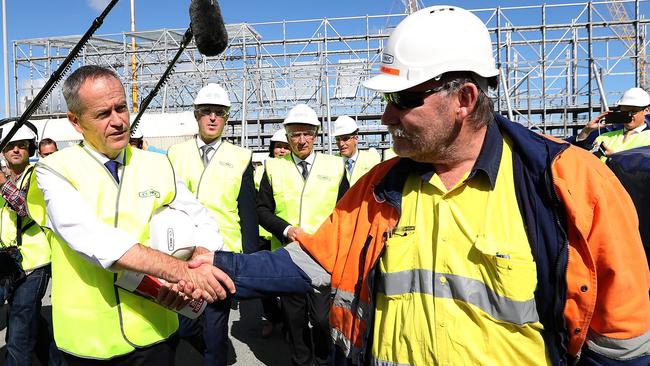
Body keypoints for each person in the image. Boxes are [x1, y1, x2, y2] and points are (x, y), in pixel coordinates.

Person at [194, 6, 650, 366]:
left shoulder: (569, 184)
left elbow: (620, 342)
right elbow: (310, 261)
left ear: (464, 100)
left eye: (404, 99)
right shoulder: (381, 187)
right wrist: (207, 265)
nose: (387, 116)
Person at [25, 65, 234, 366]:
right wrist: (180, 273)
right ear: (75, 121)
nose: (118, 121)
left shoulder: (157, 164)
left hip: (156, 331)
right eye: (102, 114)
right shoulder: (54, 169)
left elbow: (202, 219)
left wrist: (200, 255)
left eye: (121, 108)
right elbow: (96, 241)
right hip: (89, 340)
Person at [167, 83, 257, 366]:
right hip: (184, 252)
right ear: (196, 115)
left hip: (222, 253)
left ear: (226, 117)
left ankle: (215, 357)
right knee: (186, 325)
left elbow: (248, 213)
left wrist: (250, 262)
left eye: (219, 113)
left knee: (216, 328)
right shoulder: (175, 154)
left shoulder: (241, 157)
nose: (213, 118)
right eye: (207, 112)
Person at [256, 104, 349, 366]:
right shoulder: (273, 168)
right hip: (288, 255)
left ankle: (322, 359)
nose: (301, 140)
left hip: (323, 255)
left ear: (316, 135)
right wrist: (286, 229)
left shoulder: (334, 167)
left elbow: (347, 210)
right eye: (295, 134)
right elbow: (262, 209)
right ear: (287, 136)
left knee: (321, 319)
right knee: (294, 321)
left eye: (307, 133)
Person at [0, 124, 62, 366]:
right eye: (10, 146)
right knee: (30, 322)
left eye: (22, 146)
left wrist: (4, 183)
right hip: (6, 263)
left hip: (33, 264)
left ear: (30, 149)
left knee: (19, 333)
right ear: (3, 151)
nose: (16, 150)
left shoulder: (39, 174)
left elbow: (27, 208)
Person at [573, 87, 650, 159]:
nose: (628, 116)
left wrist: (616, 158)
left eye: (633, 112)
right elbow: (582, 157)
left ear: (646, 110)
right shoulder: (604, 137)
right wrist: (586, 130)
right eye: (624, 112)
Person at [332, 115, 380, 185]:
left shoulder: (373, 159)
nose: (341, 143)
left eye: (345, 139)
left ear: (356, 139)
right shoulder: (333, 162)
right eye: (337, 139)